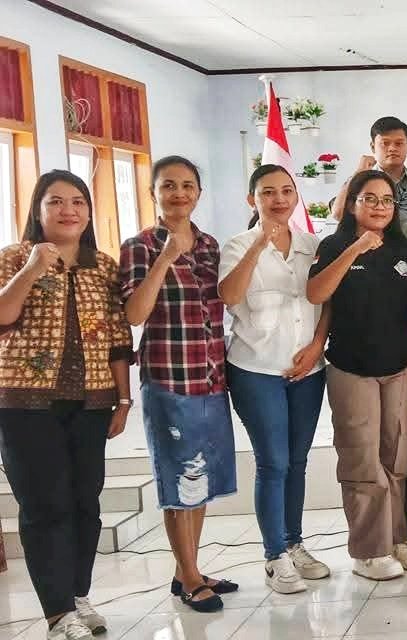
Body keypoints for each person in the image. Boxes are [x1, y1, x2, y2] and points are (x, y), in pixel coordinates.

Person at [0, 171, 132, 639]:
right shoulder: (14, 257)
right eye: (56, 202)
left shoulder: (105, 266)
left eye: (77, 202)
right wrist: (32, 269)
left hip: (91, 403)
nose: (68, 210)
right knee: (44, 506)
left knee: (84, 503)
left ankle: (77, 596)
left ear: (90, 212)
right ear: (38, 209)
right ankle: (57, 614)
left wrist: (123, 399)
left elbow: (119, 339)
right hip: (25, 405)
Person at [119, 156, 238, 612]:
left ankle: (186, 568)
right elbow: (134, 314)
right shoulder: (140, 246)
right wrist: (165, 258)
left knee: (200, 477)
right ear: (153, 193)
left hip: (210, 376)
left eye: (187, 186)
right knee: (179, 476)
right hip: (169, 377)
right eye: (168, 186)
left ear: (199, 194)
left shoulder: (209, 246)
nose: (179, 194)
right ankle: (189, 575)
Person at [307, 169, 407, 581]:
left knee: (396, 459)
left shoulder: (403, 250)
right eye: (370, 198)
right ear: (352, 203)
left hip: (397, 366)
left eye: (386, 200)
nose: (379, 206)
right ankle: (367, 550)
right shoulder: (334, 245)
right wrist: (356, 249)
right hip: (351, 367)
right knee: (362, 461)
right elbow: (319, 295)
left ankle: (396, 539)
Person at [219, 165, 332, 594]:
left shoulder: (312, 245)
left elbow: (326, 302)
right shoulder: (236, 245)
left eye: (287, 191)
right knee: (274, 462)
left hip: (308, 370)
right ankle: (274, 557)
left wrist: (318, 345)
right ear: (253, 200)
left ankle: (294, 543)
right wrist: (258, 246)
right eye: (269, 192)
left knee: (298, 461)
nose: (279, 199)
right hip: (256, 369)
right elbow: (229, 296)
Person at [336, 117, 407, 258]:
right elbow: (338, 214)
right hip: (373, 266)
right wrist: (358, 173)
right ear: (373, 147)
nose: (392, 148)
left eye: (399, 143)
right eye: (385, 143)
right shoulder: (360, 183)